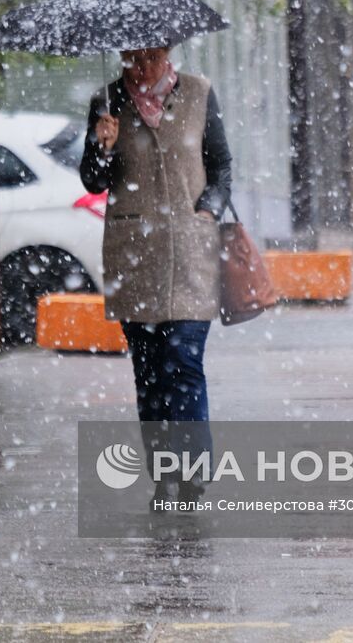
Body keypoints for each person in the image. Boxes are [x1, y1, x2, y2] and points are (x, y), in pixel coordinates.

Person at [79, 45, 232, 505]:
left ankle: (191, 473)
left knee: (183, 363)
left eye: (151, 56)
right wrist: (99, 147)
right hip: (135, 257)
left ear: (168, 53)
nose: (141, 67)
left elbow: (222, 167)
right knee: (148, 374)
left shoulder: (200, 93)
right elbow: (92, 181)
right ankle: (164, 473)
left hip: (190, 252)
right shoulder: (106, 102)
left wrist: (209, 210)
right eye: (133, 58)